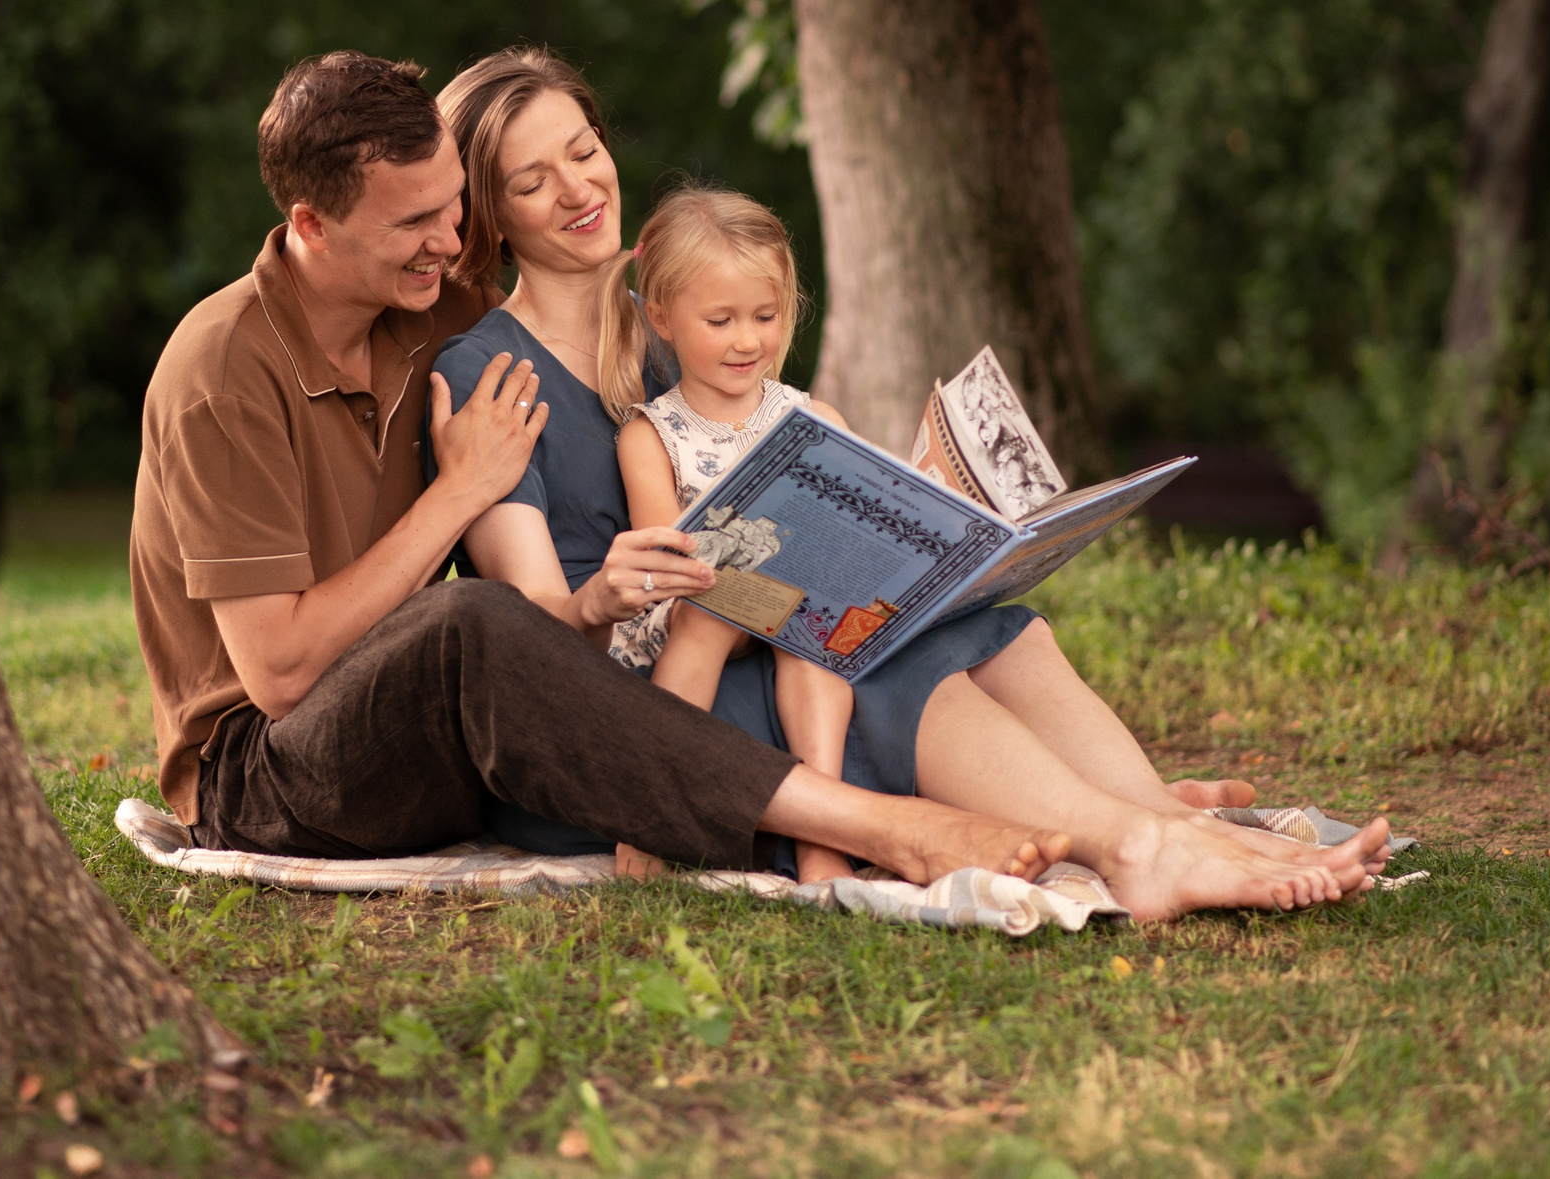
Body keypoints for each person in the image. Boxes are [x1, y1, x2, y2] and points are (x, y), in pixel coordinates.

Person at [430, 46, 1390, 921]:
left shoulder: (686, 326)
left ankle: (1164, 823)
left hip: (752, 635)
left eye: (584, 149)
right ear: (492, 216)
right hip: (642, 702)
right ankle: (1139, 849)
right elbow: (525, 654)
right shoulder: (490, 374)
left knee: (973, 623)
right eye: (531, 179)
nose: (578, 187)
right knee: (869, 657)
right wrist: (604, 591)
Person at [128, 49, 1081, 890]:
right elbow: (284, 676)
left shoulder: (427, 312)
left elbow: (587, 305)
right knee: (478, 621)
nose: (453, 245)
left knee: (900, 626)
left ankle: (1111, 813)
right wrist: (461, 492)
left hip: (444, 721)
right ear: (312, 221)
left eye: (456, 210)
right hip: (268, 769)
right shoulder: (224, 373)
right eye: (417, 222)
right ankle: (883, 829)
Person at [599, 186, 861, 884]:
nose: (748, 339)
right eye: (720, 319)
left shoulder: (815, 416)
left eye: (765, 315)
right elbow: (668, 559)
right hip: (694, 606)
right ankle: (651, 811)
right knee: (713, 616)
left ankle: (822, 838)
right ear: (663, 318)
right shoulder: (651, 433)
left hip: (793, 603)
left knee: (811, 632)